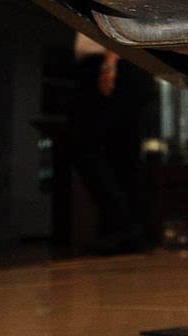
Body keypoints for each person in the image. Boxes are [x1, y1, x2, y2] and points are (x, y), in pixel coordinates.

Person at [68, 33, 151, 254]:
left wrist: (110, 64)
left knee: (85, 147)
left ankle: (124, 227)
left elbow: (113, 21)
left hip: (113, 62)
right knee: (123, 154)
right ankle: (127, 232)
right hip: (126, 63)